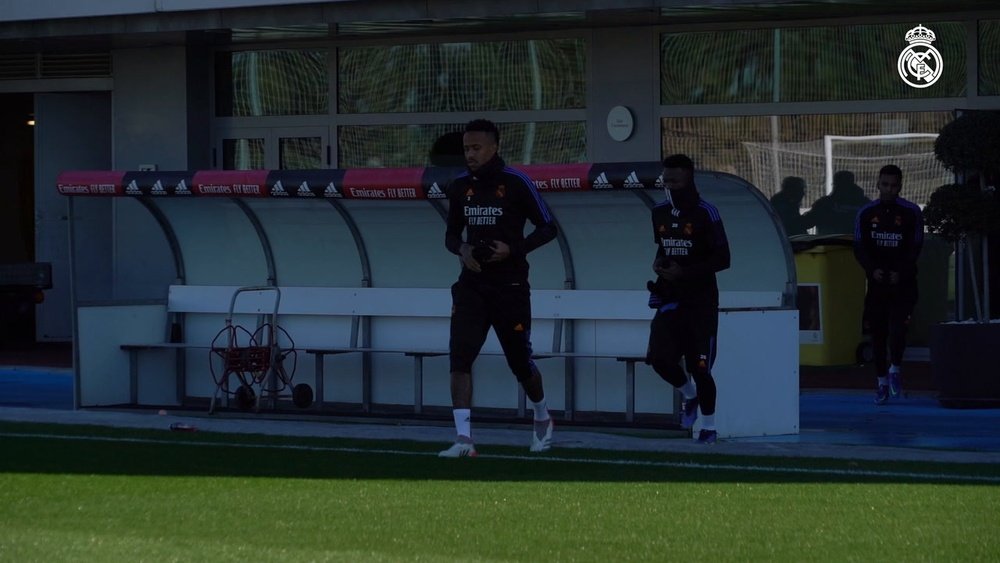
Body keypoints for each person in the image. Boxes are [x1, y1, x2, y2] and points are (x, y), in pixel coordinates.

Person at [439, 118, 558, 457]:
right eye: (466, 149)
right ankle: (464, 439)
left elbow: (548, 228)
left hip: (511, 286)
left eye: (476, 148)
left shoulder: (517, 182)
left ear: (494, 148)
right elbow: (450, 235)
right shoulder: (460, 186)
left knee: (520, 361)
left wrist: (512, 248)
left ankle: (542, 416)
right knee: (460, 357)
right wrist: (463, 250)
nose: (470, 154)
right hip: (471, 285)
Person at [646, 154, 731, 444]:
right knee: (658, 359)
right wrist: (660, 265)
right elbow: (662, 249)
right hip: (670, 297)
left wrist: (686, 272)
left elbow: (723, 259)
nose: (669, 186)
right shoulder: (658, 212)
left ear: (689, 180)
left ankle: (709, 427)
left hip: (700, 302)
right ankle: (689, 395)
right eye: (666, 181)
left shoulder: (706, 212)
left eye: (675, 181)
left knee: (701, 367)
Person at [853, 164, 924, 405]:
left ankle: (895, 368)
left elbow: (915, 246)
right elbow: (860, 247)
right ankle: (881, 382)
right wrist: (873, 270)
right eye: (885, 185)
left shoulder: (911, 212)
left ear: (900, 186)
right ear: (878, 184)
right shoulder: (865, 213)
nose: (889, 190)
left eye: (894, 186)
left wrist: (900, 273)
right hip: (877, 285)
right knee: (878, 334)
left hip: (903, 284)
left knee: (897, 330)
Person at [803, 170, 870, 235]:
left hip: (829, 244)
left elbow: (806, 223)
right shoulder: (865, 204)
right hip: (855, 244)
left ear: (835, 185)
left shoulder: (825, 203)